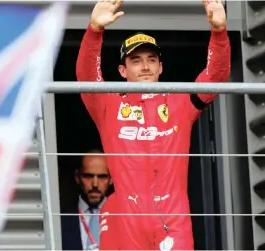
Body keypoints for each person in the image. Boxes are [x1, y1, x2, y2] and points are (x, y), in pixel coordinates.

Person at [76, 0, 230, 249]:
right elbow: (86, 78)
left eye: (151, 59)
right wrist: (94, 31)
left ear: (161, 67)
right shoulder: (108, 106)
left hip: (174, 219)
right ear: (122, 70)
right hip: (130, 222)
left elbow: (216, 76)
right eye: (136, 60)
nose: (145, 66)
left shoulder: (181, 103)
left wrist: (219, 32)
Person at [60, 149, 113, 250]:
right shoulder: (61, 219)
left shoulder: (123, 217)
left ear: (111, 179)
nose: (95, 184)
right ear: (77, 177)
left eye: (102, 177)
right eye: (88, 176)